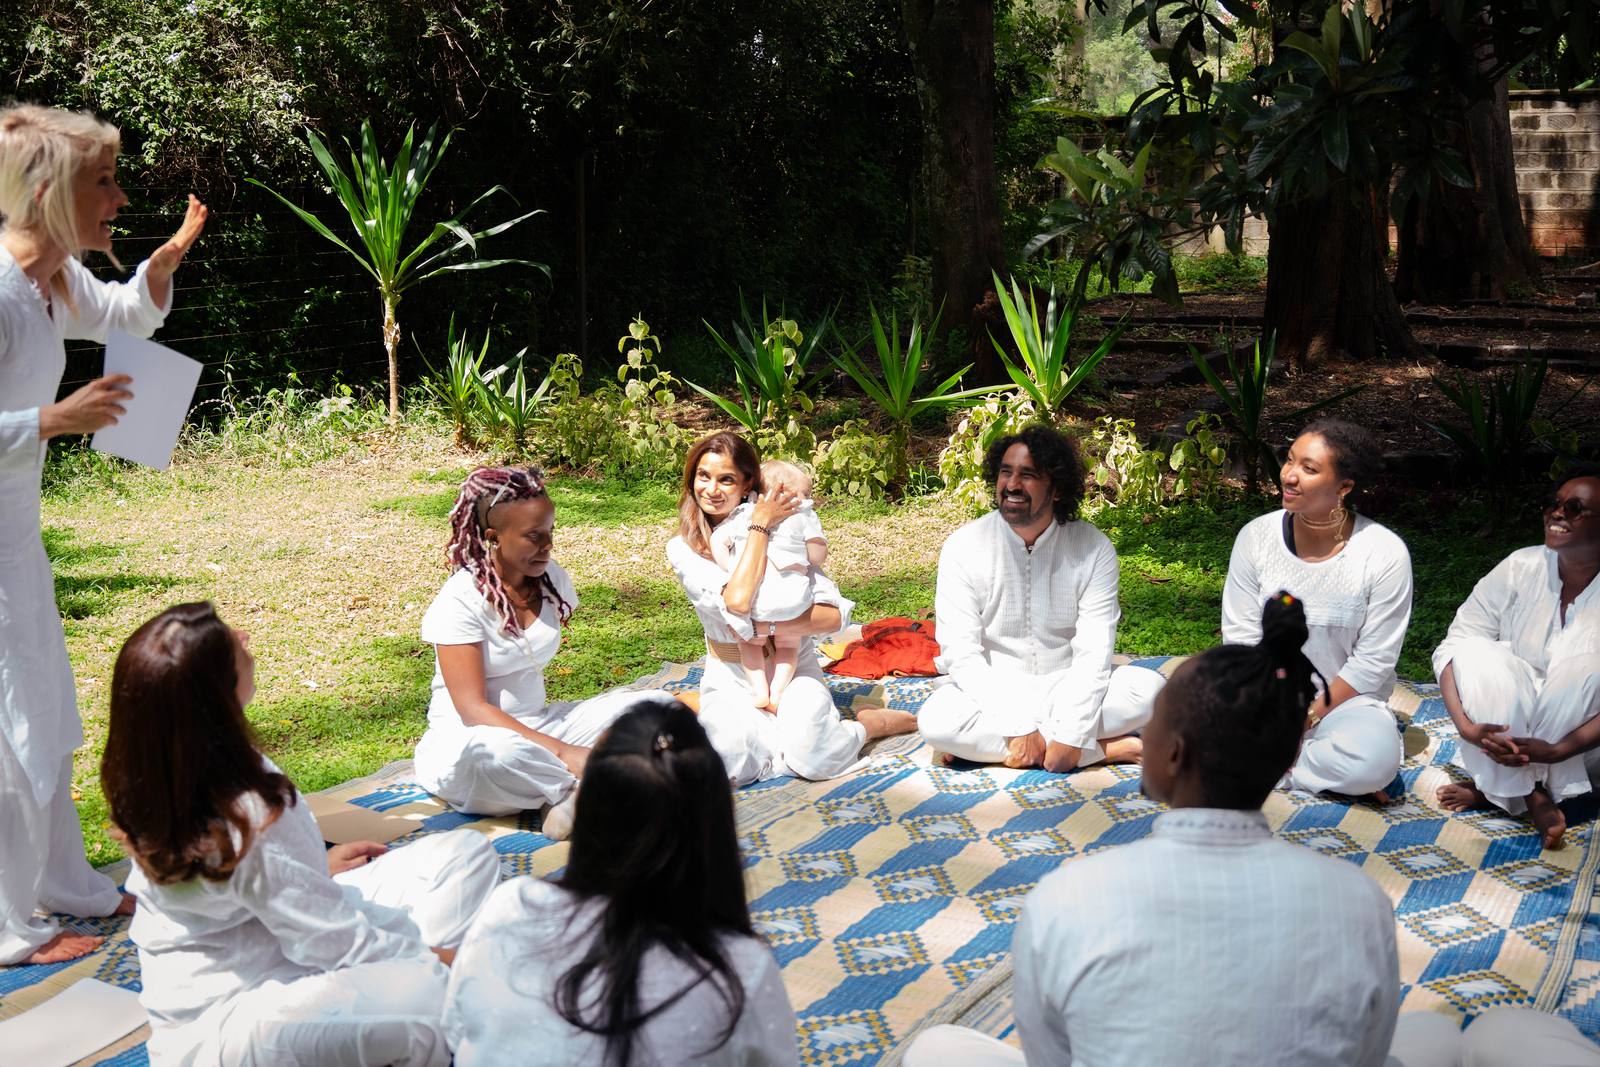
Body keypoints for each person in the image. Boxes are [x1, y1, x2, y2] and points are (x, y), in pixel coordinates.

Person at [903, 593, 1428, 1066]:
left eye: (1150, 722)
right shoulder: (1360, 900)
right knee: (1431, 1037)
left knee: (934, 1049)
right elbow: (1366, 1049)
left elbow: (1052, 1056)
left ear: (1172, 753)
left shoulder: (1068, 896)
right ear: (1292, 753)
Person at [104, 602, 500, 1067]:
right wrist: (444, 961)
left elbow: (252, 887)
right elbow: (335, 943)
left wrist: (313, 871)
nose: (247, 636)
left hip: (282, 943)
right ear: (219, 692)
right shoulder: (248, 811)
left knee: (462, 855)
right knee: (423, 998)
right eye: (235, 645)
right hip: (231, 1021)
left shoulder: (156, 768)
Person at [0, 103, 207, 965]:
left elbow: (123, 317)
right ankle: (10, 926)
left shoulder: (54, 282)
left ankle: (59, 886)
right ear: (48, 191)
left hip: (14, 536)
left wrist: (160, 265)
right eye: (104, 182)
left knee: (42, 708)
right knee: (8, 720)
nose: (118, 200)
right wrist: (52, 419)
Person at [444, 696, 799, 1066]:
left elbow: (458, 1031)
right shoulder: (741, 967)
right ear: (713, 826)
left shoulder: (510, 906)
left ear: (590, 810)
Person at [1107, 419, 1412, 798]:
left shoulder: (1384, 553)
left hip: (1345, 705)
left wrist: (1305, 719)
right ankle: (1308, 769)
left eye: (1309, 469)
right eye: (1289, 461)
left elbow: (1373, 663)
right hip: (1263, 697)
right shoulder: (1257, 538)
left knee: (1369, 763)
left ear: (1344, 487)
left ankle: (1284, 767)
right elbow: (1243, 639)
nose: (1290, 475)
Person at [414, 465, 674, 838]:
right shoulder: (461, 599)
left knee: (656, 707)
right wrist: (565, 752)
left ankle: (572, 791)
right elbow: (473, 710)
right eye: (533, 536)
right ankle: (586, 784)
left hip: (541, 726)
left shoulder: (553, 580)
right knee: (498, 757)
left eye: (550, 533)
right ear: (494, 537)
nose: (547, 545)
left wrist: (561, 745)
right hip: (473, 741)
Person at [667, 431, 916, 786]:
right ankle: (713, 708)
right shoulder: (684, 549)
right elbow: (736, 600)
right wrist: (759, 526)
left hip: (796, 669)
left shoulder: (788, 534)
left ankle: (869, 725)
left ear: (748, 484)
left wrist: (767, 627)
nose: (712, 489)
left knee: (814, 758)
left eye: (726, 479)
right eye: (703, 476)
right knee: (726, 764)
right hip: (733, 680)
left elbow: (832, 616)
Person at [917, 424, 1146, 772]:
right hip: (994, 690)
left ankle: (1009, 750)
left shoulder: (1093, 548)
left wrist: (1071, 732)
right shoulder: (964, 546)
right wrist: (1018, 725)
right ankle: (1101, 750)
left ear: (1056, 489)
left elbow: (1094, 651)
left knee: (1149, 692)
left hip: (1066, 685)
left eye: (1028, 475)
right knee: (936, 722)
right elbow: (961, 655)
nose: (1011, 485)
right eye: (1005, 472)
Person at [1433, 466, 1600, 849]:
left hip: (1581, 746)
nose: (1557, 514)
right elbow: (1453, 646)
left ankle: (1502, 792)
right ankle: (1532, 796)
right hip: (1506, 736)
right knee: (1474, 650)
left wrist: (1558, 750)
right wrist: (1464, 726)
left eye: (1575, 508)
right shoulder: (1520, 566)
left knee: (1587, 668)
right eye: (1554, 505)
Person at [710, 458, 830, 711]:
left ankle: (759, 689)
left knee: (749, 643)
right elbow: (817, 556)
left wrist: (730, 568)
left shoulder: (744, 513)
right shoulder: (804, 517)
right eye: (805, 494)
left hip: (756, 600)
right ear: (787, 494)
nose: (808, 500)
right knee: (789, 646)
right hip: (793, 602)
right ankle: (777, 691)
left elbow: (719, 540)